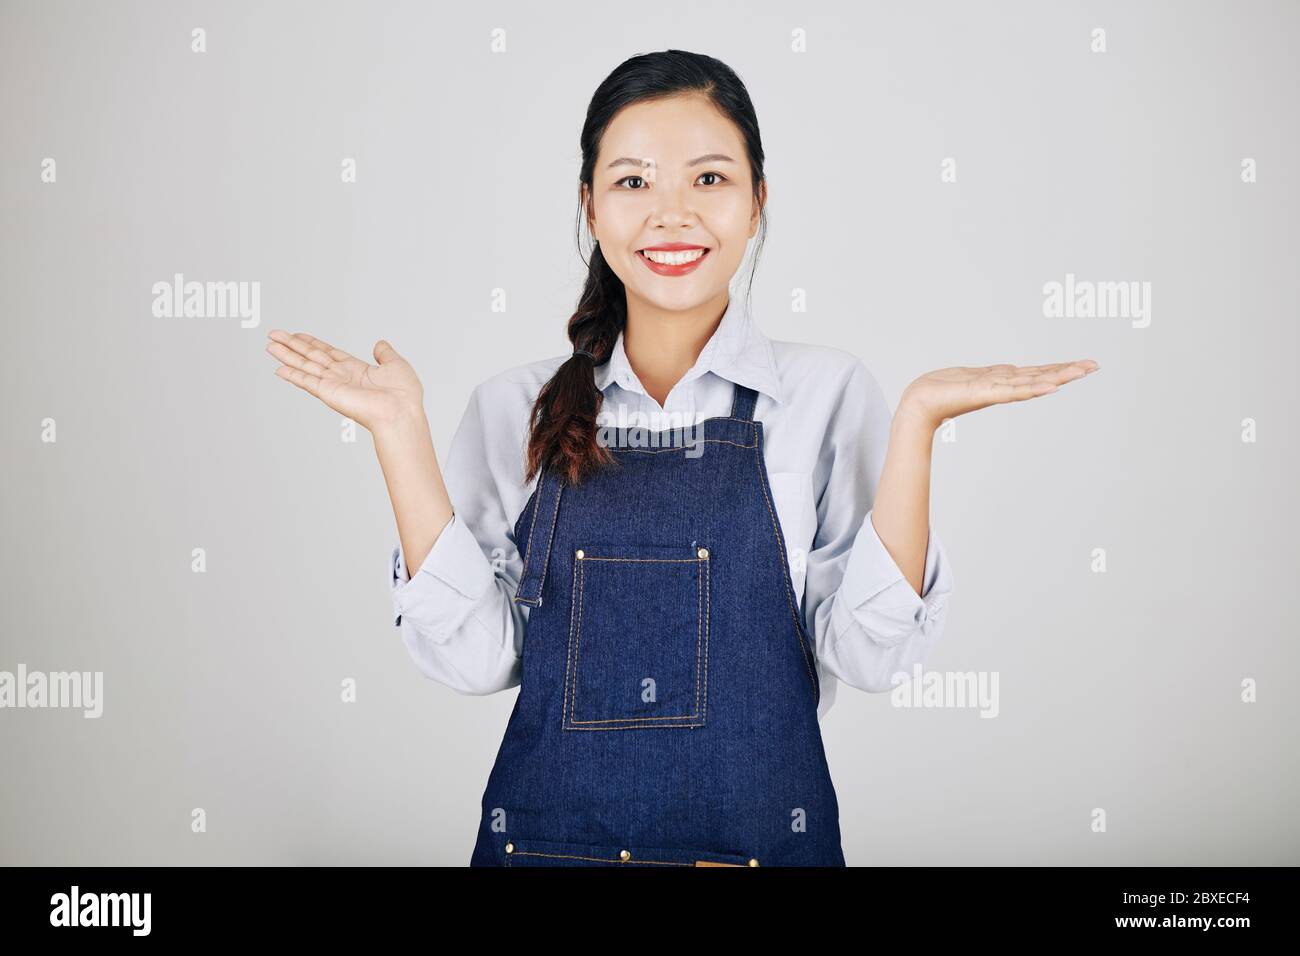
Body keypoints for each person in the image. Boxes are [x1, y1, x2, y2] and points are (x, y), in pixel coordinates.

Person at [266, 50, 1099, 866]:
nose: (671, 214)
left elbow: (870, 657)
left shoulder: (825, 395)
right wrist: (400, 435)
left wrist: (918, 425)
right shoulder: (513, 407)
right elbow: (479, 660)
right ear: (590, 206)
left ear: (757, 202)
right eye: (633, 182)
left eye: (708, 179)